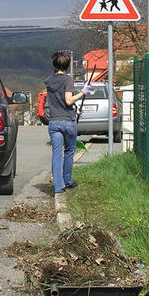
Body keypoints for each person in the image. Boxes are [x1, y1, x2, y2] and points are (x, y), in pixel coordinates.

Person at [44, 51, 91, 194]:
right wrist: (83, 92)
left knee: (56, 154)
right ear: (67, 65)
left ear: (54, 64)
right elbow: (68, 100)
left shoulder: (49, 80)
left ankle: (58, 186)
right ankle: (68, 180)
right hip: (68, 121)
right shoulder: (68, 80)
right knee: (69, 151)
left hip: (54, 122)